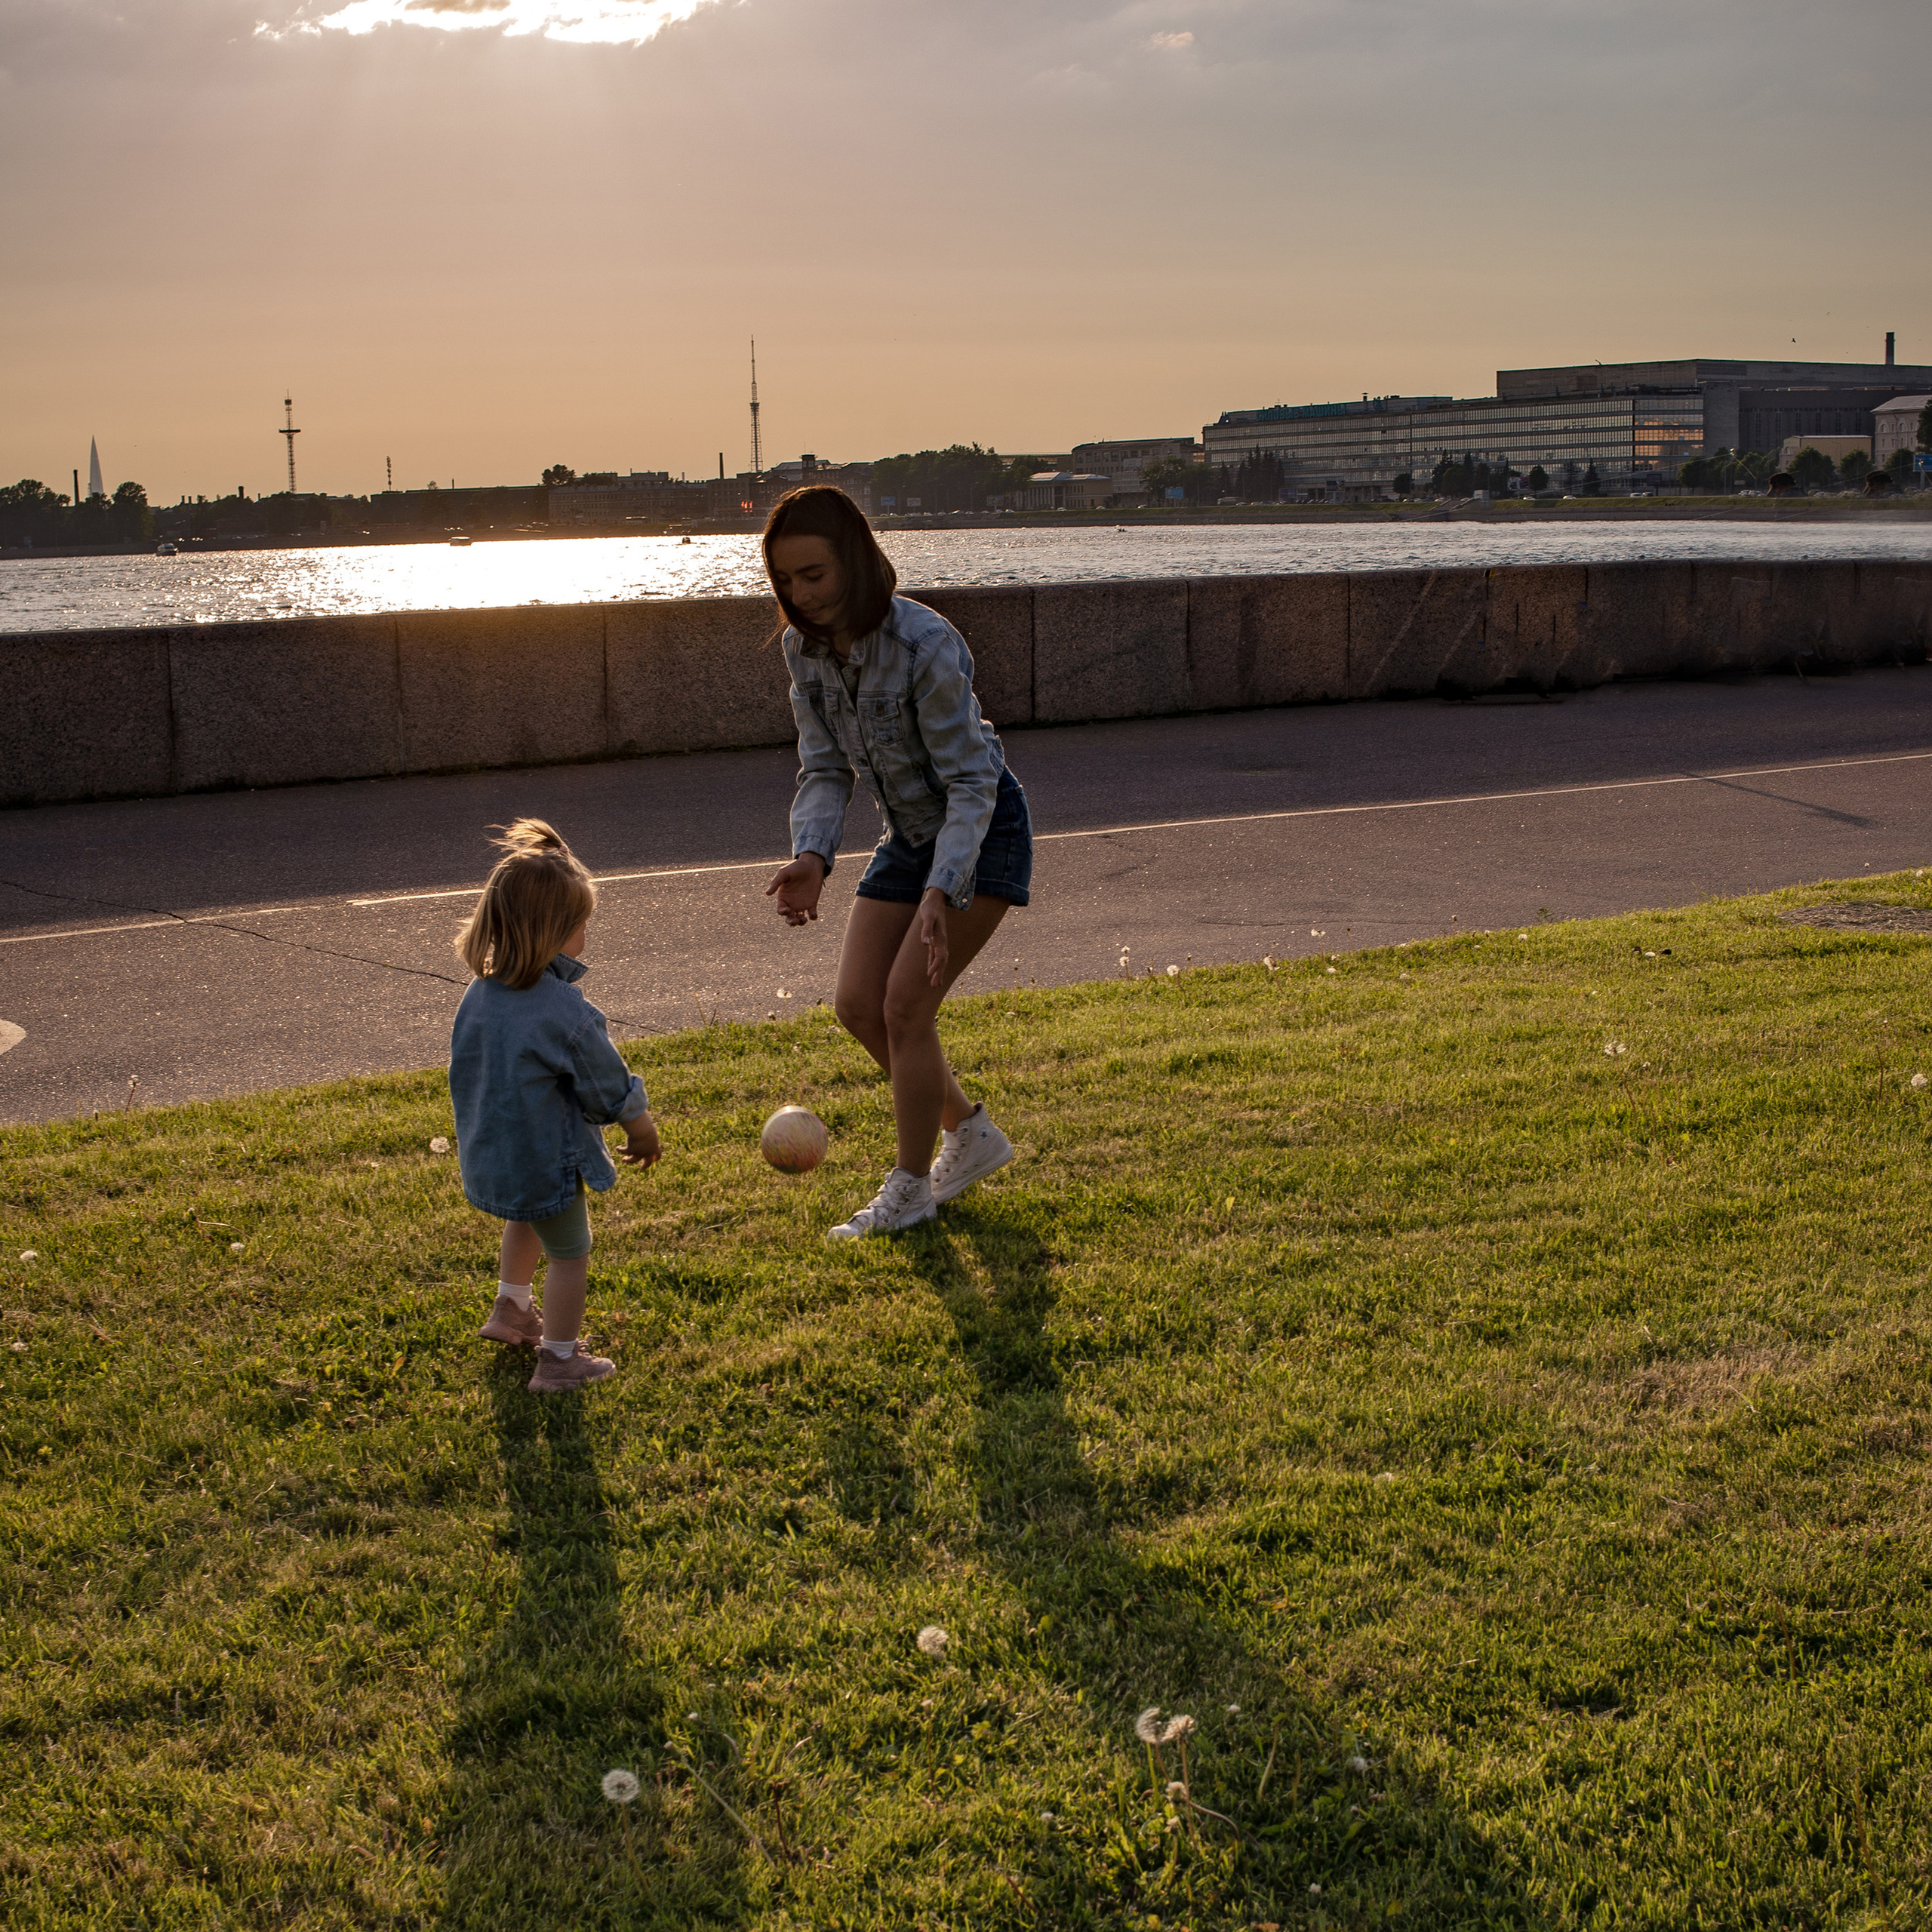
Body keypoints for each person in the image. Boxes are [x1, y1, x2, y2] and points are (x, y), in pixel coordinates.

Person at [762, 486, 1027, 1239]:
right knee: (858, 1005)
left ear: (854, 560)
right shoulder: (800, 650)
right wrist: (812, 854)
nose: (800, 596)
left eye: (813, 575)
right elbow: (823, 766)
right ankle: (970, 1134)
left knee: (906, 1006)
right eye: (786, 581)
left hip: (979, 830)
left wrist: (944, 892)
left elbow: (973, 781)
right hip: (909, 836)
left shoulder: (923, 643)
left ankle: (910, 1189)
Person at [448, 820, 661, 1392]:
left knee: (527, 1216)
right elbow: (608, 1083)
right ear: (557, 931)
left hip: (495, 1148)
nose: (586, 935)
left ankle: (511, 1309)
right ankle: (560, 1361)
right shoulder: (564, 1011)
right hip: (545, 1155)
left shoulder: (480, 992)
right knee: (571, 1253)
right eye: (581, 925)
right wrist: (640, 1130)